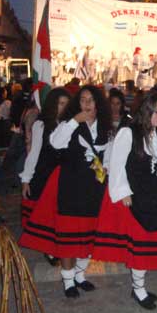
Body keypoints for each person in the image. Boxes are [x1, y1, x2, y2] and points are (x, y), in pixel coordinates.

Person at [19, 85, 112, 298]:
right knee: (68, 237)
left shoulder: (106, 129)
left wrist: (105, 167)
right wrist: (74, 121)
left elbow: (109, 155)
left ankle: (80, 275)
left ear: (98, 104)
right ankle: (68, 280)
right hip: (70, 186)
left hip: (94, 188)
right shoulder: (66, 125)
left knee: (89, 236)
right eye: (83, 100)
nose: (87, 104)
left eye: (91, 100)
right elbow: (56, 143)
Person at [93, 93, 157, 311]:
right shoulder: (128, 132)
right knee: (140, 247)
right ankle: (138, 290)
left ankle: (139, 287)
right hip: (134, 197)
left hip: (153, 196)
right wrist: (122, 191)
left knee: (146, 245)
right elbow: (117, 163)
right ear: (146, 111)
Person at [19, 88, 71, 231]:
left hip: (64, 176)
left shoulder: (70, 125)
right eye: (60, 103)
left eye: (66, 104)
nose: (63, 107)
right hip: (45, 173)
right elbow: (34, 153)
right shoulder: (41, 125)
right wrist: (26, 179)